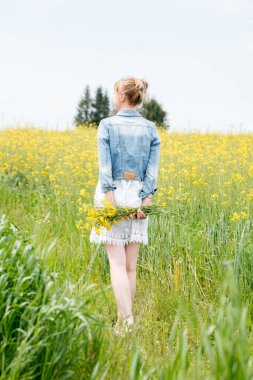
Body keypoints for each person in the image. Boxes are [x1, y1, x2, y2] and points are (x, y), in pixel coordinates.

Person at [89, 76, 161, 335]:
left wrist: (110, 201)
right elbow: (152, 171)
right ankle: (122, 323)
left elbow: (105, 167)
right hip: (138, 196)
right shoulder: (150, 128)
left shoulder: (107, 125)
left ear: (121, 95)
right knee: (130, 266)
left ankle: (127, 321)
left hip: (114, 194)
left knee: (117, 265)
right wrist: (146, 200)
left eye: (113, 93)